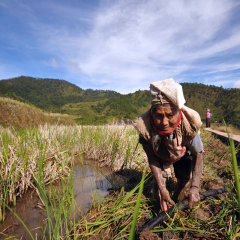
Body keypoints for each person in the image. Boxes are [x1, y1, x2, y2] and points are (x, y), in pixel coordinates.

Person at [133, 79, 203, 211]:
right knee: (158, 193)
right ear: (153, 113)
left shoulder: (189, 126)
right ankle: (160, 211)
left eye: (170, 115)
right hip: (160, 155)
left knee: (183, 181)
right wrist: (162, 187)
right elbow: (152, 158)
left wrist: (195, 188)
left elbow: (197, 155)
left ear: (179, 112)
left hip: (182, 153)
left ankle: (176, 202)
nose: (164, 122)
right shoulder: (145, 127)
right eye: (159, 115)